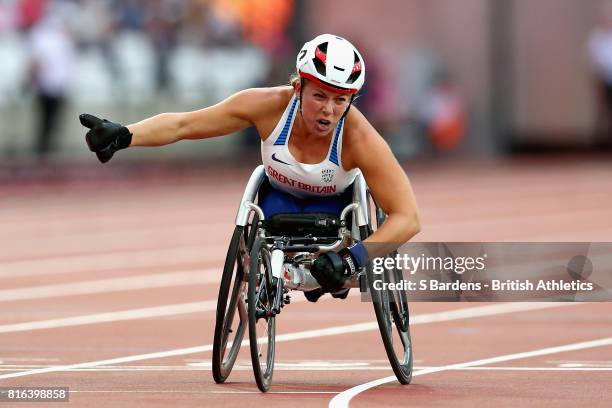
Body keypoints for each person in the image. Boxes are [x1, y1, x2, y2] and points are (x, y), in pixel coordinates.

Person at [79, 33, 420, 301]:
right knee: (266, 228)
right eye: (319, 96)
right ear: (298, 87)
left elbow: (408, 217)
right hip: (277, 200)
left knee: (334, 271)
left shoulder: (360, 138)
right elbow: (184, 125)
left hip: (334, 210)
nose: (328, 110)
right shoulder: (266, 107)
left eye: (340, 100)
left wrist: (354, 258)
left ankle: (327, 275)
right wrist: (125, 135)